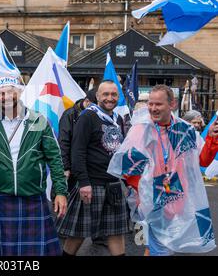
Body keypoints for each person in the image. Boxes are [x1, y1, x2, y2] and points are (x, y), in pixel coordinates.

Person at [108, 85, 216, 256]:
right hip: (151, 200)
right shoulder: (141, 129)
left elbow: (202, 160)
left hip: (178, 199)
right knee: (160, 248)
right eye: (150, 104)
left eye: (158, 104)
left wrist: (212, 138)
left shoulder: (184, 129)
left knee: (163, 247)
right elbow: (128, 170)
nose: (153, 108)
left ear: (172, 104)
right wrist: (146, 194)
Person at [0, 76, 67, 256]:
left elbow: (55, 158)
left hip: (33, 194)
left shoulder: (38, 120)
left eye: (11, 92)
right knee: (4, 252)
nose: (6, 97)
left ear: (19, 93)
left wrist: (61, 191)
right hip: (2, 194)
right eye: (1, 93)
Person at [59, 80, 128, 256]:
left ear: (118, 97)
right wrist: (83, 182)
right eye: (105, 94)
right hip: (92, 184)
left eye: (113, 94)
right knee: (78, 233)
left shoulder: (118, 118)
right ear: (97, 97)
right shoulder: (88, 117)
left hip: (113, 183)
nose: (109, 98)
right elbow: (77, 151)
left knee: (115, 232)